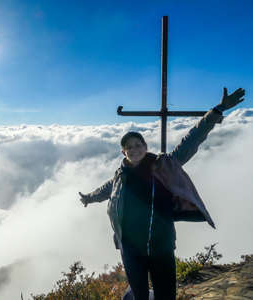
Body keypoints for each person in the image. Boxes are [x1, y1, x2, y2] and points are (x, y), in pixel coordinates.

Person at [78, 87, 245, 300]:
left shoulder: (162, 166)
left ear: (145, 146)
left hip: (161, 247)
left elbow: (191, 140)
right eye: (129, 147)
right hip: (131, 251)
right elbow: (106, 189)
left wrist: (218, 110)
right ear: (123, 152)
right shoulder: (121, 175)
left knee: (166, 295)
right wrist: (89, 198)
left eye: (138, 145)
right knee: (139, 295)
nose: (134, 149)